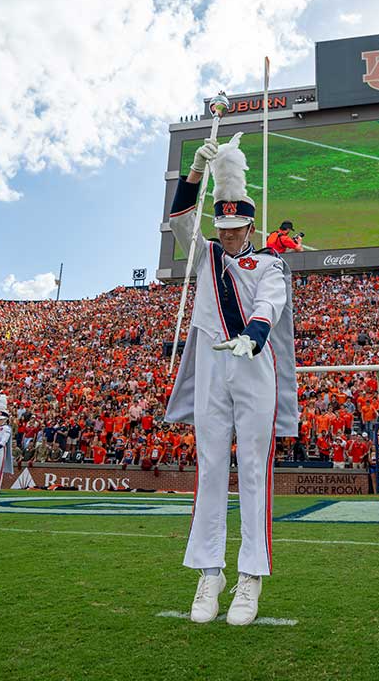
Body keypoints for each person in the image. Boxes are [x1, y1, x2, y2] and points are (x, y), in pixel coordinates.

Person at [165, 131, 297, 626]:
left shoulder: (270, 263)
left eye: (237, 227)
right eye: (223, 226)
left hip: (252, 361)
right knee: (211, 466)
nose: (229, 234)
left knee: (257, 471)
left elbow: (270, 305)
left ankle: (251, 577)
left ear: (250, 224)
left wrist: (254, 335)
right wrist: (194, 174)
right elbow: (179, 220)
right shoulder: (205, 254)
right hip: (212, 362)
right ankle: (208, 571)